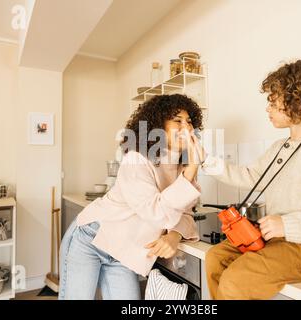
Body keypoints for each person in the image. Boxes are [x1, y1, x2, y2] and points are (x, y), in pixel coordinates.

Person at [198, 59, 301, 300]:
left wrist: (287, 225)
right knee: (216, 257)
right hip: (282, 240)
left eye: (274, 99)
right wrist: (205, 160)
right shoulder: (281, 146)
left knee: (237, 280)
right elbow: (252, 176)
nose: (268, 108)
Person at [58, 94, 203, 300]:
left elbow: (187, 213)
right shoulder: (137, 158)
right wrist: (192, 169)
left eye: (189, 122)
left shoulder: (184, 168)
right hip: (91, 239)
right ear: (158, 126)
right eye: (177, 121)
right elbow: (155, 212)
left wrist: (174, 235)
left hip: (125, 252)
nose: (187, 128)